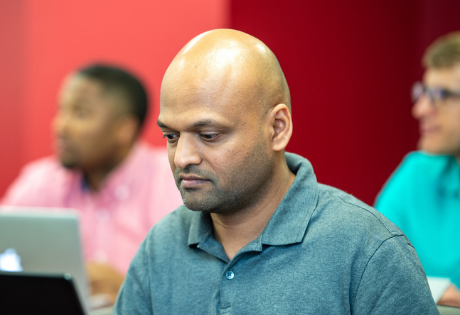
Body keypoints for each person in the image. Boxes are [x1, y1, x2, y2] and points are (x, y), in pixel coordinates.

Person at [114, 29, 438, 314]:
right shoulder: (161, 246)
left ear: (277, 128)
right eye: (171, 136)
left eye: (209, 135)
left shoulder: (367, 249)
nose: (182, 157)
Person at [0, 63, 182, 306]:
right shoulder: (41, 180)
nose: (61, 126)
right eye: (61, 111)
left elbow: (197, 290)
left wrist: (131, 290)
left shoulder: (172, 180)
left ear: (124, 130)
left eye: (80, 113)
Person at [376, 32, 460, 307]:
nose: (420, 109)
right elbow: (370, 273)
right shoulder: (416, 175)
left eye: (439, 95)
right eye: (423, 92)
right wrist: (442, 292)